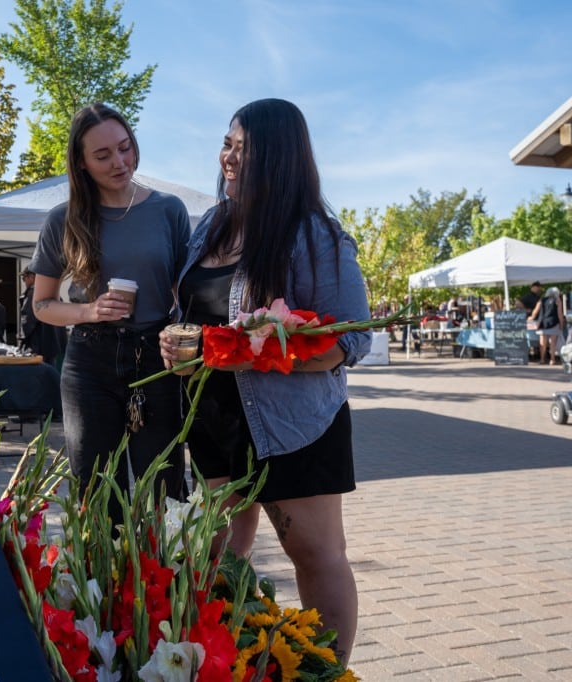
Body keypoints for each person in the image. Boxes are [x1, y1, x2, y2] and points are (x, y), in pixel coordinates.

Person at [159, 98, 371, 664]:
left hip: (291, 424)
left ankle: (327, 673)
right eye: (226, 142)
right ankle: (229, 663)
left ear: (276, 158)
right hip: (215, 419)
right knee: (221, 553)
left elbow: (351, 341)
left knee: (315, 553)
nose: (226, 157)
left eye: (242, 148)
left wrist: (250, 355)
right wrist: (182, 342)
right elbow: (201, 314)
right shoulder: (211, 224)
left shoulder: (316, 236)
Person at [28, 102, 190, 514]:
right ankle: (101, 577)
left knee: (165, 493)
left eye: (125, 147)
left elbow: (185, 295)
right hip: (90, 360)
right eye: (102, 155)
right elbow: (43, 305)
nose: (119, 162)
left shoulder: (169, 210)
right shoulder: (64, 219)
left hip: (156, 356)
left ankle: (165, 578)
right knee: (96, 495)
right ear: (80, 163)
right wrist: (88, 311)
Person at [18, 266, 65, 366]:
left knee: (36, 378)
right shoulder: (53, 293)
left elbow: (27, 320)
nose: (24, 282)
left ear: (31, 277)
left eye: (24, 278)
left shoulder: (32, 294)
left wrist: (23, 340)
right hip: (52, 347)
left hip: (37, 348)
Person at [529, 285, 565, 364]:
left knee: (542, 343)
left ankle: (542, 359)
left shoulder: (541, 300)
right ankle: (552, 359)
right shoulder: (557, 300)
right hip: (553, 322)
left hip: (542, 323)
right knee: (552, 343)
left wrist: (531, 318)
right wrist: (561, 323)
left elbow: (535, 311)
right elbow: (560, 314)